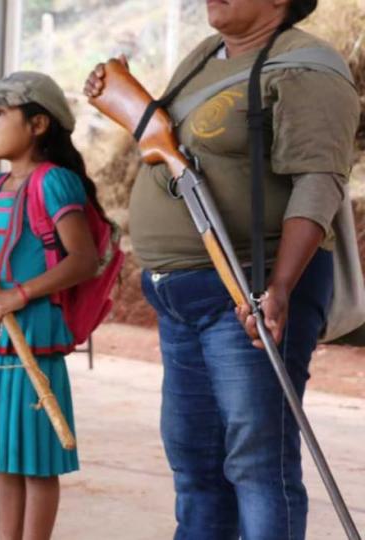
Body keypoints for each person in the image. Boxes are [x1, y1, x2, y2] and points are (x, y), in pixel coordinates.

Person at [84, 1, 360, 538]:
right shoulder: (203, 57)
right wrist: (115, 91)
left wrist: (279, 287)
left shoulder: (307, 65)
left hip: (248, 290)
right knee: (195, 464)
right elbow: (166, 140)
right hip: (177, 295)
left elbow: (318, 181)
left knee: (258, 465)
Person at [0, 72, 104, 539]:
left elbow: (84, 260)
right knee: (3, 454)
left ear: (37, 125)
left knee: (34, 458)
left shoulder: (53, 182)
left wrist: (22, 293)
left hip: (30, 330)